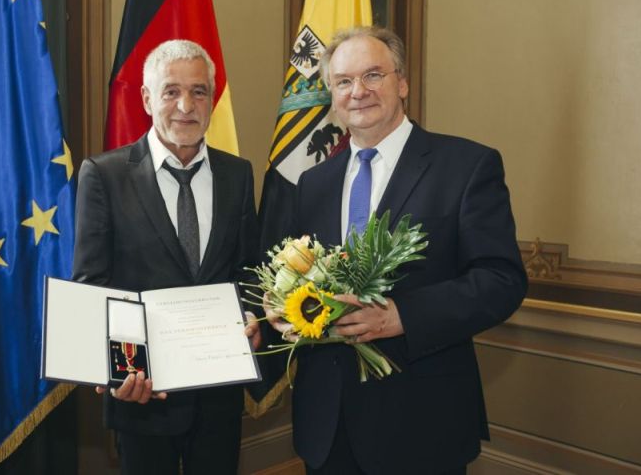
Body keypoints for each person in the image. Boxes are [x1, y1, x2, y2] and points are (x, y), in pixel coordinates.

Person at [265, 26, 527, 474]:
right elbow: (299, 274)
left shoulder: (466, 166)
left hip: (422, 421)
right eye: (343, 82)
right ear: (331, 94)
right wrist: (281, 309)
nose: (358, 92)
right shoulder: (313, 184)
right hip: (327, 423)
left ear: (402, 82)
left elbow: (501, 281)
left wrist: (401, 315)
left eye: (373, 75)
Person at [73, 39, 261, 475]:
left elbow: (247, 269)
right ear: (146, 98)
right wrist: (124, 370)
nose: (185, 105)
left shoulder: (237, 173)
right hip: (144, 395)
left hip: (219, 392)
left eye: (199, 92)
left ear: (212, 100)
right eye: (171, 91)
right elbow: (93, 284)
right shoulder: (103, 175)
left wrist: (252, 316)